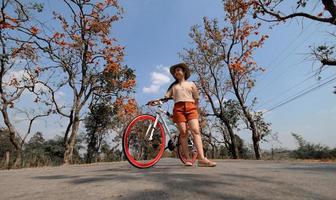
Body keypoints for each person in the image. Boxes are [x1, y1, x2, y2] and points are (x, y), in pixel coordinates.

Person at [151, 63, 216, 167]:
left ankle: (202, 159)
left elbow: (196, 99)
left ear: (184, 72)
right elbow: (165, 98)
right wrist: (156, 101)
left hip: (191, 107)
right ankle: (188, 159)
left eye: (179, 70)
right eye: (175, 71)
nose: (177, 72)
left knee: (196, 131)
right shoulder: (173, 86)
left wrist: (196, 110)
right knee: (183, 132)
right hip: (178, 109)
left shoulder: (191, 84)